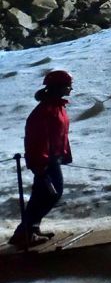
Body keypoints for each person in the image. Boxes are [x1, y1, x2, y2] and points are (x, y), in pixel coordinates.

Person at [8, 70, 74, 249]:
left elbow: (59, 133)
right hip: (46, 160)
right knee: (51, 193)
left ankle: (29, 230)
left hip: (53, 157)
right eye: (68, 85)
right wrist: (40, 164)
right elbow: (37, 139)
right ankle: (26, 232)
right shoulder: (45, 110)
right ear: (58, 87)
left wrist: (64, 154)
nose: (71, 88)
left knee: (42, 195)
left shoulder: (56, 106)